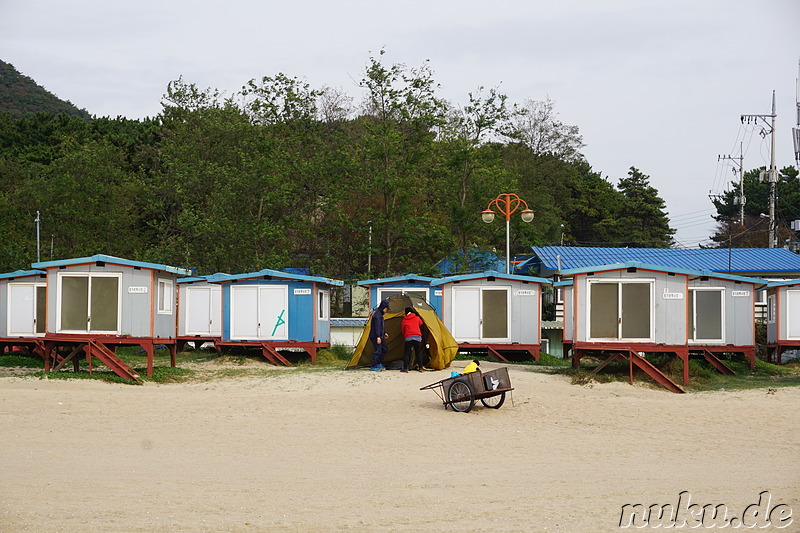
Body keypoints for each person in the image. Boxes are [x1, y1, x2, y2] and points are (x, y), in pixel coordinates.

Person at [400, 307, 424, 373]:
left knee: (407, 353)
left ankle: (405, 368)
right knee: (418, 353)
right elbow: (421, 323)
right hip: (417, 337)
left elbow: (403, 330)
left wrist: (405, 335)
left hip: (408, 337)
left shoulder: (404, 320)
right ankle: (421, 368)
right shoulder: (417, 318)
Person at [369, 300, 390, 371]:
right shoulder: (377, 316)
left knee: (384, 349)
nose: (386, 311)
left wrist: (384, 333)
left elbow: (381, 326)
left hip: (380, 336)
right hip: (375, 336)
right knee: (378, 350)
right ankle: (373, 365)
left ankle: (379, 363)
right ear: (383, 308)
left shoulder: (380, 315)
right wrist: (378, 336)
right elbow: (377, 327)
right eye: (386, 309)